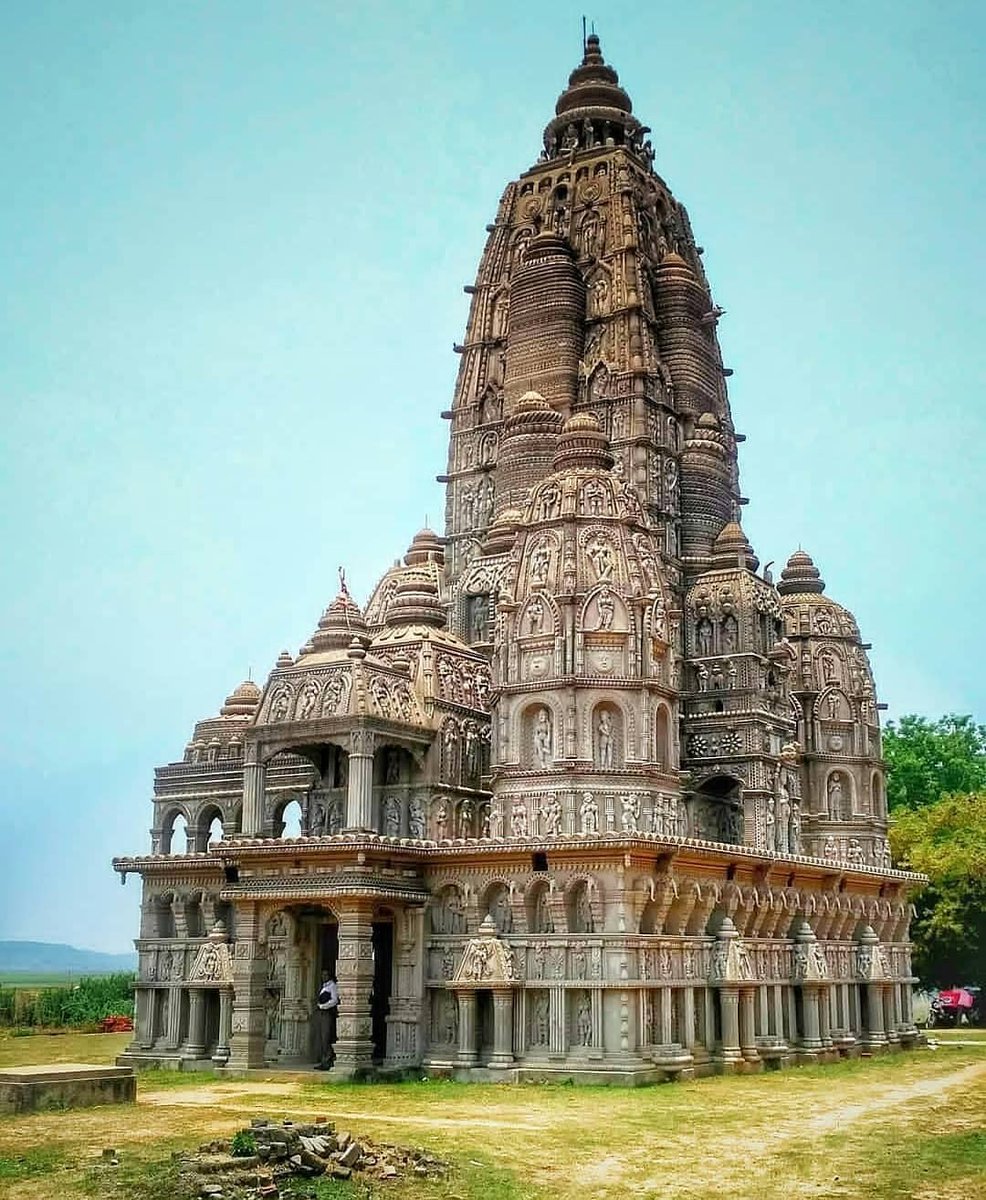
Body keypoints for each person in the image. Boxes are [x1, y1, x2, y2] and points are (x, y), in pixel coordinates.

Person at [314, 970, 339, 1069]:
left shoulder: (332, 986)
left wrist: (324, 1006)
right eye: (322, 975)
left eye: (325, 975)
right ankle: (323, 1060)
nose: (323, 976)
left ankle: (328, 1060)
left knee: (326, 1037)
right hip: (321, 1013)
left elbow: (334, 1000)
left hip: (327, 1013)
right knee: (321, 1038)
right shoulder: (324, 986)